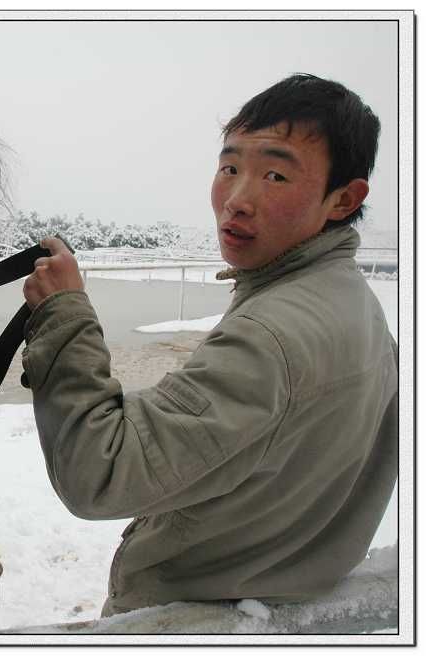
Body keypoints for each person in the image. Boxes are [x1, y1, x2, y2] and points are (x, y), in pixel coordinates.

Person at [21, 74, 397, 617]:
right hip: (280, 595)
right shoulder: (359, 306)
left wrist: (63, 314)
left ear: (343, 199)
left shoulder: (272, 337)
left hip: (198, 614)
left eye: (274, 174)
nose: (237, 200)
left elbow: (98, 471)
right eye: (229, 168)